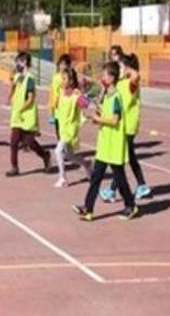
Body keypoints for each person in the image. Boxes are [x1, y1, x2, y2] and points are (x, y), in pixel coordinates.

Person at [74, 62, 139, 221]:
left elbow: (115, 120)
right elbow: (102, 115)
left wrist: (99, 119)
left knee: (120, 179)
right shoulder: (105, 96)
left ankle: (130, 205)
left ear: (111, 77)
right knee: (95, 178)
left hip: (115, 145)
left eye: (104, 75)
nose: (102, 78)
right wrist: (92, 116)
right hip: (104, 145)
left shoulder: (117, 96)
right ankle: (88, 209)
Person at [101, 53, 150, 201]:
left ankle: (112, 190)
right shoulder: (120, 83)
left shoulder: (130, 82)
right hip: (122, 126)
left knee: (120, 159)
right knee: (129, 157)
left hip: (128, 126)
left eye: (121, 66)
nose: (119, 69)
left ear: (128, 68)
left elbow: (136, 76)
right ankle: (141, 185)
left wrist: (129, 70)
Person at [6, 51, 50, 177]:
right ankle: (14, 167)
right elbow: (14, 86)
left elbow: (30, 98)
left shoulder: (30, 79)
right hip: (17, 115)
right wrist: (9, 97)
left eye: (19, 61)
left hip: (27, 114)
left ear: (25, 63)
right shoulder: (17, 76)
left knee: (30, 142)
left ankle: (45, 155)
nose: (17, 64)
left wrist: (22, 108)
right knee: (14, 142)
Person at [52, 67, 92, 187]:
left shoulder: (75, 94)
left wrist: (82, 94)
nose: (62, 80)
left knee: (58, 151)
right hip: (63, 128)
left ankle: (63, 178)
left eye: (64, 78)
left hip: (71, 129)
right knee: (69, 155)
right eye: (61, 78)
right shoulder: (60, 91)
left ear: (70, 81)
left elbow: (86, 104)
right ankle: (87, 164)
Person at [49, 54, 72, 137]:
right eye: (61, 64)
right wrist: (52, 108)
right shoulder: (56, 77)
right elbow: (53, 92)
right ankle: (62, 147)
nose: (62, 67)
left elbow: (74, 91)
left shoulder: (71, 77)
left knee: (67, 130)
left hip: (68, 108)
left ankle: (64, 148)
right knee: (59, 131)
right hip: (58, 108)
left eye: (65, 64)